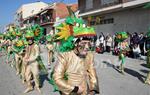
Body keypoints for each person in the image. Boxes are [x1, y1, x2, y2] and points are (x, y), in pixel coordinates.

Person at [52, 7, 99, 95]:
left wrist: (93, 89)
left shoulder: (89, 55)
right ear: (75, 43)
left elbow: (92, 74)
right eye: (84, 43)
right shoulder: (65, 56)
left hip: (85, 91)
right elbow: (57, 78)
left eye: (89, 44)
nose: (87, 47)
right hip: (70, 92)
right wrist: (74, 89)